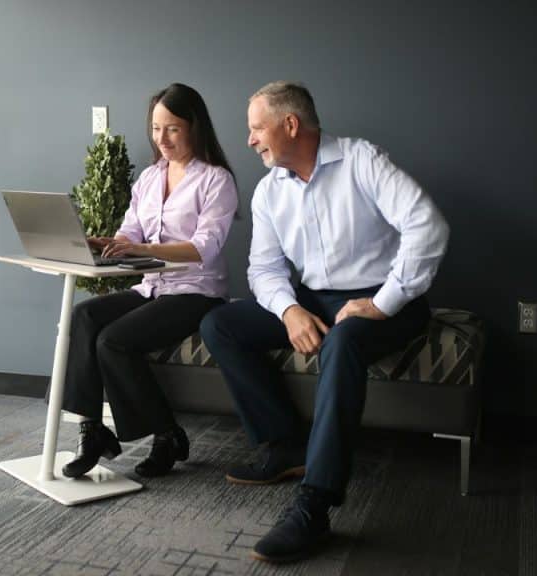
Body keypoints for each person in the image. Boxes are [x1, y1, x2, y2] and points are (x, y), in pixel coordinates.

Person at [200, 82, 449, 563]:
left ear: (290, 124)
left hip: (388, 299)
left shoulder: (362, 160)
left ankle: (315, 502)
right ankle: (284, 446)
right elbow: (264, 270)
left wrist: (382, 303)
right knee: (220, 324)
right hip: (316, 298)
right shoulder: (270, 191)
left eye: (257, 128)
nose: (249, 140)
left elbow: (428, 225)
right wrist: (290, 310)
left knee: (345, 339)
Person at [60, 83, 238, 479]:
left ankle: (167, 434)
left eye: (172, 129)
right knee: (83, 316)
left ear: (194, 127)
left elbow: (204, 247)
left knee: (113, 341)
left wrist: (141, 250)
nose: (162, 139)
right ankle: (92, 431)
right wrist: (110, 243)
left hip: (196, 291)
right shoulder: (149, 178)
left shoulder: (216, 180)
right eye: (156, 129)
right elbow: (131, 231)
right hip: (152, 288)